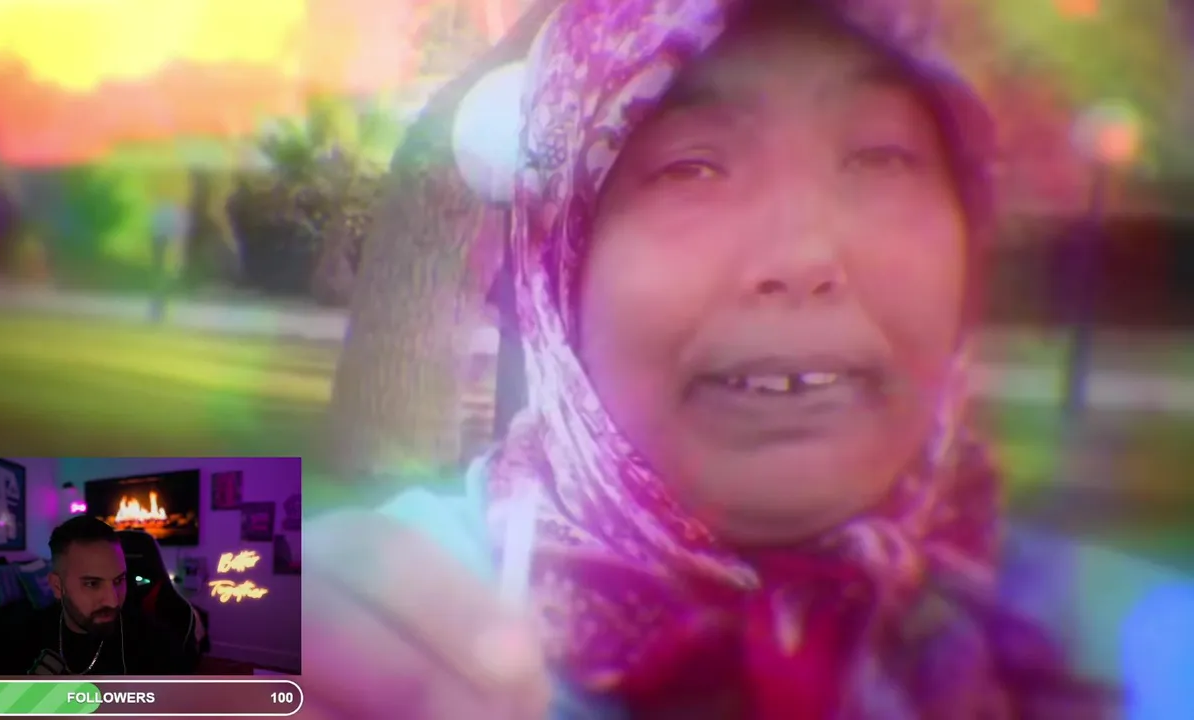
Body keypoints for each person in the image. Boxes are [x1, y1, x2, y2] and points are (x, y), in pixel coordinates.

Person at [301, 0, 1127, 716]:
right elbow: (225, 595)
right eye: (691, 168)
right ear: (557, 258)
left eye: (882, 157)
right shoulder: (399, 602)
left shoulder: (1127, 644)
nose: (803, 256)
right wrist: (240, 647)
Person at [0, 516, 193, 675]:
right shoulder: (13, 644)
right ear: (57, 586)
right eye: (92, 584)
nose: (112, 600)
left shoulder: (157, 644)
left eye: (119, 580)